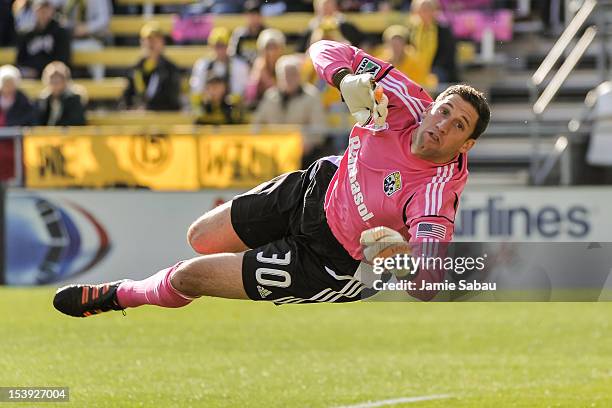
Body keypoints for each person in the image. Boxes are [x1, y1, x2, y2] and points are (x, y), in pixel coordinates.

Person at [53, 39, 490, 317]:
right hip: (315, 190)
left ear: (465, 145)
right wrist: (346, 78)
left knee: (189, 276)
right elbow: (322, 49)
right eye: (445, 110)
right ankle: (249, 261)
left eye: (458, 126)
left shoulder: (435, 193)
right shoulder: (403, 98)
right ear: (433, 103)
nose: (442, 123)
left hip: (330, 263)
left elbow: (428, 283)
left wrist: (400, 261)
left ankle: (119, 295)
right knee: (200, 237)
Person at [252, 54, 327, 167]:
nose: (288, 78)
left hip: (303, 156)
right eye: (284, 75)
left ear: (299, 75)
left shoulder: (312, 96)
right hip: (273, 154)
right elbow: (256, 124)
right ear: (278, 77)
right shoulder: (270, 97)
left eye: (293, 74)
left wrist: (305, 144)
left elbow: (319, 130)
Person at [122, 22, 181, 111]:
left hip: (163, 118)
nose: (151, 44)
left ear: (162, 42)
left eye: (155, 39)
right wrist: (133, 109)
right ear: (141, 42)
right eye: (148, 39)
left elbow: (171, 98)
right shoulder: (134, 68)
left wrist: (147, 108)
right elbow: (127, 97)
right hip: (138, 119)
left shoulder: (171, 69)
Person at [189, 27, 249, 113]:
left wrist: (224, 100)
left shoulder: (239, 65)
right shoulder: (202, 65)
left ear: (229, 46)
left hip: (231, 109)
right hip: (207, 108)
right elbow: (196, 91)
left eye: (223, 46)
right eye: (217, 46)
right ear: (211, 46)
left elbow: (240, 92)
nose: (220, 50)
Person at [16, 0, 71, 79]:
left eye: (46, 9)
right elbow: (20, 60)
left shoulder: (60, 32)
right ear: (34, 10)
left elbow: (63, 59)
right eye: (40, 9)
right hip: (31, 75)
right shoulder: (27, 33)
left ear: (52, 10)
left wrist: (41, 71)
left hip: (54, 75)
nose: (43, 13)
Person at [407, 0, 459, 83]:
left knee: (435, 76)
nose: (425, 12)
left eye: (428, 9)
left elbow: (448, 54)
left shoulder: (443, 30)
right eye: (422, 10)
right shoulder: (412, 30)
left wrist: (429, 67)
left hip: (437, 68)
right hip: (416, 66)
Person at [376, 25, 437, 91]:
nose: (396, 47)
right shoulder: (381, 61)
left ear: (405, 43)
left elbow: (421, 83)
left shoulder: (415, 60)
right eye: (393, 43)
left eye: (399, 43)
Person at [244, 28, 286, 107]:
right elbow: (250, 95)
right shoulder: (259, 65)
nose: (271, 52)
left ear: (281, 49)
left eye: (275, 47)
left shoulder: (286, 65)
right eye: (268, 47)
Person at [37, 61, 86, 126]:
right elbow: (38, 121)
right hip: (45, 135)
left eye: (59, 77)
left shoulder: (74, 98)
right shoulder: (43, 99)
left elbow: (77, 121)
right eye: (52, 78)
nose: (55, 81)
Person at [228, 0, 267, 66]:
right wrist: (247, 62)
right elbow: (232, 53)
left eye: (256, 14)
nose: (254, 18)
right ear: (246, 16)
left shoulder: (266, 33)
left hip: (262, 67)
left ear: (261, 16)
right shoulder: (239, 33)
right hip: (244, 67)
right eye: (251, 15)